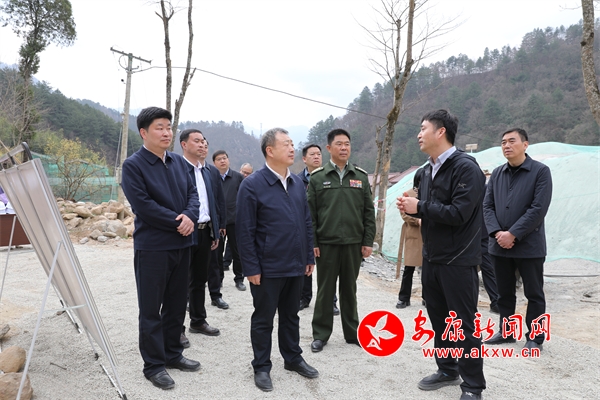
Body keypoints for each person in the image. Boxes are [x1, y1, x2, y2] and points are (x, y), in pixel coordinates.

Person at [397, 109, 486, 400]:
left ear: (441, 131)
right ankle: (447, 369)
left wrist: (420, 207)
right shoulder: (425, 171)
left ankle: (472, 386)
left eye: (423, 128)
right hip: (432, 257)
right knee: (439, 320)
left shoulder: (466, 168)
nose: (418, 135)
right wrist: (411, 208)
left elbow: (460, 213)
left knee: (464, 323)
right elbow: (429, 212)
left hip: (458, 259)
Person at [121, 107, 201, 390]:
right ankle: (154, 365)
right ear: (144, 132)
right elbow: (143, 206)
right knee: (151, 309)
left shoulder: (178, 162)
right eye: (160, 127)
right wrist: (179, 221)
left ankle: (172, 354)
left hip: (182, 244)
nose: (167, 132)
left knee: (177, 304)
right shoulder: (133, 165)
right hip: (153, 247)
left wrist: (190, 216)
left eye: (169, 127)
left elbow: (193, 194)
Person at [236, 128, 318, 392]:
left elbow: (306, 222)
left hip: (295, 264)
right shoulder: (252, 185)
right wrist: (251, 267)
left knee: (291, 315)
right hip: (267, 267)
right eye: (286, 144)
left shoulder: (296, 183)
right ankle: (261, 366)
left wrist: (308, 256)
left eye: (293, 143)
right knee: (263, 319)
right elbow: (245, 231)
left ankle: (292, 358)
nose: (292, 148)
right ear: (270, 151)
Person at [483, 128, 552, 351]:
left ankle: (535, 337)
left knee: (534, 293)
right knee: (504, 292)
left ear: (525, 144)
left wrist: (512, 234)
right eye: (503, 142)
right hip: (499, 245)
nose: (506, 145)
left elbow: (538, 209)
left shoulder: (540, 172)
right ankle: (507, 332)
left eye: (512, 141)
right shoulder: (497, 173)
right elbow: (487, 206)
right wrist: (497, 233)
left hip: (529, 246)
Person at [308, 129, 376, 353]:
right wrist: (313, 242)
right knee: (325, 290)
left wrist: (367, 241)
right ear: (329, 148)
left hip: (353, 243)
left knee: (349, 289)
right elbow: (310, 215)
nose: (344, 148)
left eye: (347, 144)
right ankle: (320, 335)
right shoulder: (318, 178)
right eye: (339, 144)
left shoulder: (360, 176)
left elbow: (368, 212)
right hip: (326, 244)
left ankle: (352, 333)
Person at [179, 129, 226, 348]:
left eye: (203, 141)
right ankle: (176, 328)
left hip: (205, 231)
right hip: (184, 231)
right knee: (179, 282)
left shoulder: (210, 172)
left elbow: (216, 203)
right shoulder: (176, 169)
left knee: (199, 279)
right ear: (184, 145)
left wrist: (215, 230)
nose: (201, 145)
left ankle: (198, 321)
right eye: (196, 141)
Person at [297, 144, 340, 315]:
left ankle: (330, 300)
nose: (316, 157)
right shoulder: (296, 180)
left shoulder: (330, 176)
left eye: (319, 154)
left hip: (325, 229)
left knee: (328, 268)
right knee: (305, 264)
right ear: (304, 159)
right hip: (304, 228)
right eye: (312, 154)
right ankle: (304, 297)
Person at [212, 149, 246, 291]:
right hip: (217, 222)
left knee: (237, 252)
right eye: (219, 159)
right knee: (217, 253)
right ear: (214, 163)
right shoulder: (211, 177)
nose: (222, 161)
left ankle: (239, 278)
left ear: (228, 160)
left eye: (224, 158)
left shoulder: (238, 177)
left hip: (235, 220)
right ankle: (218, 279)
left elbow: (245, 198)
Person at [395, 168, 424, 309]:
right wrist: (417, 221)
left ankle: (427, 297)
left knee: (428, 270)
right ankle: (404, 298)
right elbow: (404, 214)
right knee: (409, 269)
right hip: (413, 235)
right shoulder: (408, 194)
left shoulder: (431, 193)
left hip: (428, 235)